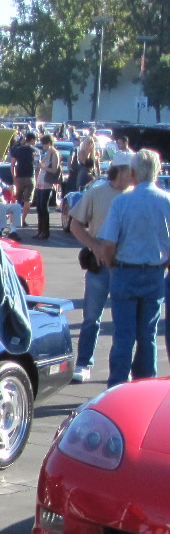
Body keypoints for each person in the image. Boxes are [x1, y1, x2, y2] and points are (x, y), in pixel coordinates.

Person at [97, 149, 170, 387]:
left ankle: (117, 387)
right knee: (147, 335)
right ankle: (145, 386)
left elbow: (109, 243)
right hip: (154, 272)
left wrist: (111, 264)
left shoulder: (122, 201)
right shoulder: (166, 201)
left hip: (125, 271)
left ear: (133, 172)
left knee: (124, 335)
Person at [68, 149, 136, 383]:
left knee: (122, 320)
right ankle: (84, 362)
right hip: (99, 265)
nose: (135, 174)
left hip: (126, 266)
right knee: (91, 317)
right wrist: (94, 245)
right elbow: (75, 224)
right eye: (131, 170)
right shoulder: (97, 193)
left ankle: (120, 367)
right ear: (121, 170)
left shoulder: (135, 194)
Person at [34, 134, 63, 240]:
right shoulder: (46, 154)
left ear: (49, 143)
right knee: (39, 207)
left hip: (47, 184)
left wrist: (44, 167)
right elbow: (41, 166)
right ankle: (40, 230)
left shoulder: (54, 154)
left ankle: (45, 232)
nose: (43, 146)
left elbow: (54, 170)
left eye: (44, 144)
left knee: (43, 207)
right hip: (40, 182)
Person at [8, 131, 37, 232]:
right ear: (32, 140)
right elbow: (37, 165)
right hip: (30, 177)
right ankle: (22, 220)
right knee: (28, 200)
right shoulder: (35, 150)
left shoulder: (18, 150)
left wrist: (14, 176)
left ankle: (13, 220)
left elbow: (12, 165)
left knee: (17, 199)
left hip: (19, 177)